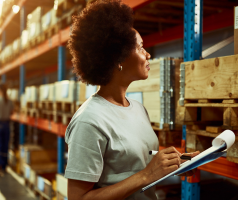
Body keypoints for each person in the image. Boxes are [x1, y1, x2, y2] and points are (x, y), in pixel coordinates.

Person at [65, 0, 199, 199]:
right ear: (119, 59)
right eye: (141, 47)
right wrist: (146, 175)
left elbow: (137, 165)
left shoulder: (137, 109)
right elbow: (78, 198)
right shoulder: (89, 121)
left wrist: (175, 164)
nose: (147, 54)